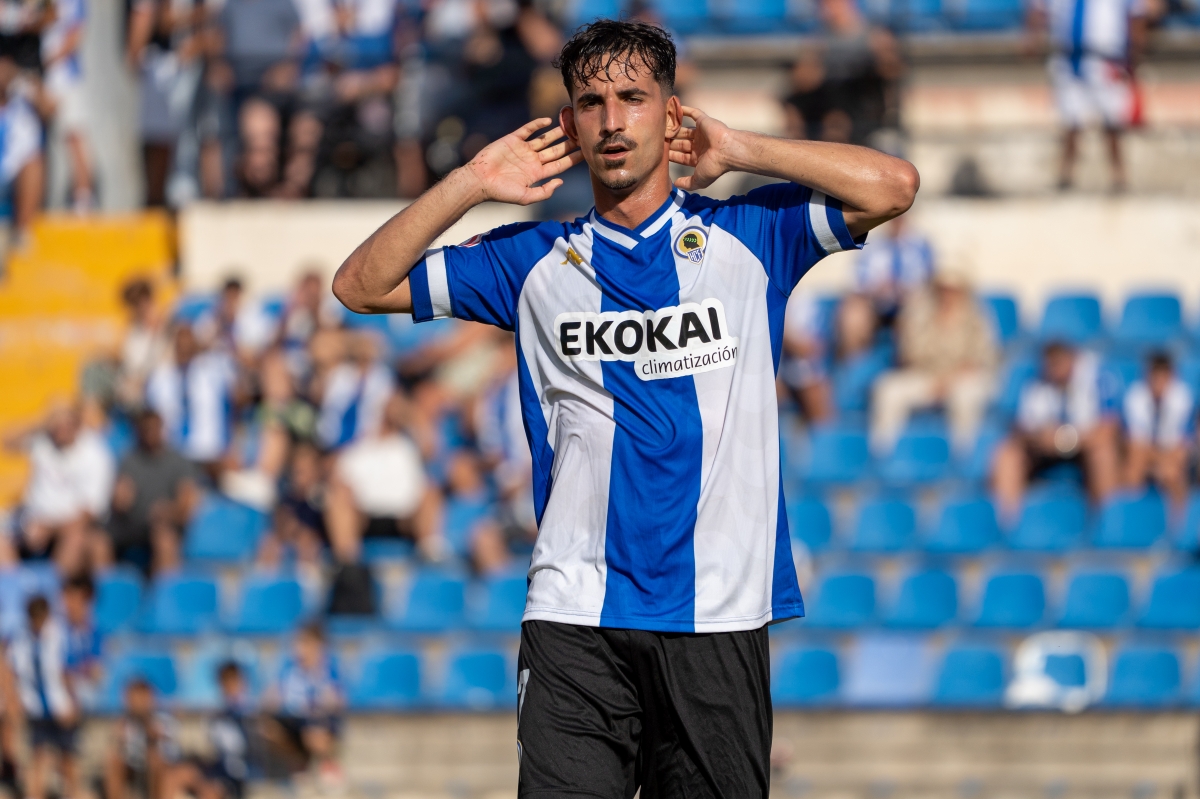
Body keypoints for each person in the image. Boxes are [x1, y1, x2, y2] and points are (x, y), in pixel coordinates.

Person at [332, 19, 917, 796]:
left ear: (671, 115)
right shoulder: (530, 260)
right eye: (591, 103)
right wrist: (471, 180)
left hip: (717, 615)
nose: (611, 120)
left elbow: (893, 186)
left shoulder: (752, 234)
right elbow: (361, 285)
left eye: (633, 99)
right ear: (570, 123)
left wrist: (740, 147)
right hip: (575, 615)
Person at [869, 270, 998, 455]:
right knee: (888, 390)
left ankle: (963, 457)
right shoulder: (921, 313)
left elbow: (983, 359)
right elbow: (908, 355)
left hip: (964, 378)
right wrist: (906, 323)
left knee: (964, 398)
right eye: (943, 288)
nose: (948, 294)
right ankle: (881, 454)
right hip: (927, 376)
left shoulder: (977, 316)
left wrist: (949, 380)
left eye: (954, 289)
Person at [992, 341, 1120, 521]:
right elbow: (1020, 428)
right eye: (1051, 363)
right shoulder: (1035, 381)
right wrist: (1039, 438)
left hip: (1084, 447)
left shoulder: (1096, 377)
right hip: (1044, 451)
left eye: (1059, 362)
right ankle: (1006, 524)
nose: (1055, 369)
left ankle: (1107, 522)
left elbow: (1108, 429)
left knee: (1103, 454)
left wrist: (1066, 439)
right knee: (1007, 454)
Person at [1027, 0, 1147, 191]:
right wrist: (1033, 39)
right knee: (1070, 120)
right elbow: (1039, 10)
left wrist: (1135, 52)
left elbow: (1136, 15)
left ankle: (1119, 176)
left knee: (1112, 120)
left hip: (1107, 59)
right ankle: (1065, 175)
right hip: (1068, 58)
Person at [324, 392, 442, 563]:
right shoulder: (357, 446)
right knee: (338, 497)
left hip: (404, 516)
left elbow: (430, 446)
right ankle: (347, 562)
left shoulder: (409, 444)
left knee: (430, 493)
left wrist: (411, 416)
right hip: (364, 516)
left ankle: (429, 556)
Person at [6, 402, 114, 575]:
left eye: (65, 425)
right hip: (33, 520)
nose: (60, 431)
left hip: (69, 526)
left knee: (76, 540)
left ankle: (54, 586)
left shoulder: (95, 454)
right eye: (56, 425)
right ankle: (14, 587)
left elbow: (89, 513)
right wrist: (40, 423)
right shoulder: (43, 441)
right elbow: (7, 442)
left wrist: (49, 528)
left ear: (77, 425)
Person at [105, 409, 201, 575]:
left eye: (154, 428)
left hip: (166, 526)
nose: (150, 433)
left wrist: (168, 511)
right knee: (99, 541)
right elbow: (120, 501)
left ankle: (165, 588)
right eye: (145, 429)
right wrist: (121, 499)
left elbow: (187, 505)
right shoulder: (128, 461)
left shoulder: (179, 462)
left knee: (164, 539)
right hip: (132, 527)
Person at [9, 596, 80, 799]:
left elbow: (68, 672)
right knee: (37, 757)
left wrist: (73, 702)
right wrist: (16, 701)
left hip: (60, 706)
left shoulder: (61, 635)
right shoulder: (20, 638)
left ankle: (72, 794)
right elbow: (13, 671)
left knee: (67, 757)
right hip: (34, 708)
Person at [145, 322, 237, 472]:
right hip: (173, 457)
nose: (184, 348)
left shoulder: (213, 373)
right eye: (180, 343)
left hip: (211, 454)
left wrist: (230, 448)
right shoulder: (160, 379)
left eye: (188, 343)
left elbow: (235, 404)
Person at [263, 623, 342, 784]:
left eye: (305, 643)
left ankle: (327, 764)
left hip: (318, 721)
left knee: (314, 731)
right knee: (267, 728)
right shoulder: (288, 668)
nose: (300, 649)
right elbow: (270, 697)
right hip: (293, 720)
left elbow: (337, 701)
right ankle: (298, 761)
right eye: (298, 643)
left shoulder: (328, 668)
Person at [166, 661, 254, 799]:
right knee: (175, 775)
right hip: (215, 769)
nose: (229, 685)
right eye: (225, 681)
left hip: (235, 775)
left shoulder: (249, 711)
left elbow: (237, 750)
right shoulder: (218, 712)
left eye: (233, 680)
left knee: (210, 792)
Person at [1121, 352, 1195, 512]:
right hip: (1144, 454)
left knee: (1172, 471)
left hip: (1171, 455)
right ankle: (1131, 518)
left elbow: (1182, 447)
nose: (1158, 383)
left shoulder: (1183, 398)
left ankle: (1178, 523)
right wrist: (1158, 459)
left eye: (1163, 378)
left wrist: (1162, 461)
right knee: (1133, 467)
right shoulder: (1135, 397)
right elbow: (1134, 445)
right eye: (1155, 377)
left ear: (1171, 377)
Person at [41, 0, 92, 212]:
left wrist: (48, 60)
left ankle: (83, 199)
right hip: (41, 78)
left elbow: (76, 33)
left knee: (74, 136)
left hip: (65, 78)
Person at [103, 677, 183, 799]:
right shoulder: (125, 721)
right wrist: (119, 737)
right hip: (134, 766)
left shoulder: (163, 719)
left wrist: (147, 724)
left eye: (141, 698)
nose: (137, 703)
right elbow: (119, 747)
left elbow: (167, 747)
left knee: (154, 759)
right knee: (113, 760)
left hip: (163, 766)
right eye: (133, 698)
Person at [0, 54, 44, 245]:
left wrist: (23, 81)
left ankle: (21, 234)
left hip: (13, 179)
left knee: (34, 163)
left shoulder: (22, 102)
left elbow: (50, 107)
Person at [62, 574, 102, 711]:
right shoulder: (57, 633)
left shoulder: (97, 633)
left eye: (75, 600)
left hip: (90, 697)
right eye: (67, 599)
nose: (69, 606)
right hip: (66, 699)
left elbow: (97, 672)